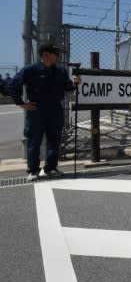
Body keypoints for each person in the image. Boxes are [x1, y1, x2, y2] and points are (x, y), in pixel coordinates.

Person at [8, 43, 80, 181]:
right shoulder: (30, 70)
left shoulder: (60, 70)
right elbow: (12, 85)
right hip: (37, 109)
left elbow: (67, 87)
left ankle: (50, 168)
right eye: (55, 53)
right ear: (45, 55)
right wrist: (21, 103)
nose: (58, 56)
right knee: (34, 140)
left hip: (55, 109)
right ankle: (33, 170)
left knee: (54, 139)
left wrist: (74, 83)